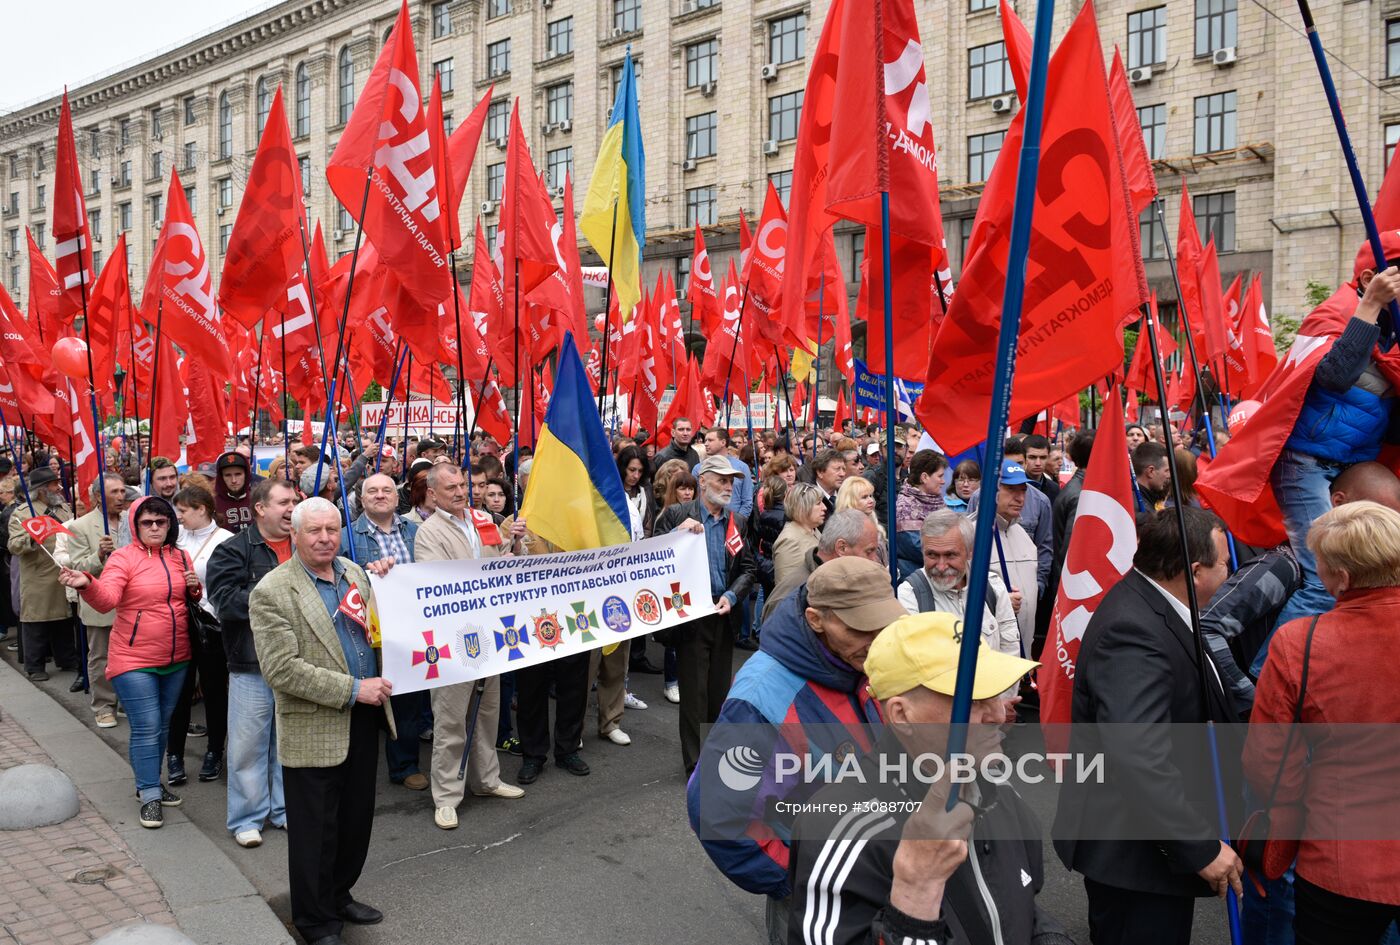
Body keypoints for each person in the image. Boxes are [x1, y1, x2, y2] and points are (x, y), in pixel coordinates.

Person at [785, 612, 1071, 945]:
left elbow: (1016, 906)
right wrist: (916, 892)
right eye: (973, 700)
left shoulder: (999, 791)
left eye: (995, 692)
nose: (998, 714)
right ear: (902, 715)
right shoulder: (840, 830)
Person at [688, 558, 908, 944]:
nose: (878, 637)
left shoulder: (857, 658)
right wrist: (793, 878)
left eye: (884, 622)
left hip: (881, 874)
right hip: (818, 892)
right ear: (815, 619)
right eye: (861, 626)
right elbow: (715, 812)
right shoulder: (761, 694)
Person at [1053, 507, 1243, 945]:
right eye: (1224, 563)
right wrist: (1199, 845)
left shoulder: (1158, 604)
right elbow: (1138, 756)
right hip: (1135, 857)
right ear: (1195, 572)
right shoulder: (1132, 630)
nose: (1229, 572)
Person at [1245, 502, 1400, 944]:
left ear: (1343, 579)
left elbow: (1268, 762)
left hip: (1341, 855)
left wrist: (1294, 811)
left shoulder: (1302, 642)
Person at [249, 497, 396, 945]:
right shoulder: (273, 590)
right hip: (315, 724)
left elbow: (381, 626)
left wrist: (392, 581)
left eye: (332, 529)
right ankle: (314, 921)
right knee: (315, 832)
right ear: (293, 534)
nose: (325, 538)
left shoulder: (355, 574)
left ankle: (338, 894)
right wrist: (353, 689)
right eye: (314, 531)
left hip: (366, 719)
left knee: (356, 821)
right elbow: (282, 670)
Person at [59, 497, 199, 829]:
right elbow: (107, 600)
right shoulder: (123, 558)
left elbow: (185, 600)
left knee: (161, 726)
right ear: (134, 526)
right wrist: (87, 583)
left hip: (176, 658)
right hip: (133, 659)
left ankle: (148, 782)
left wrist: (194, 590)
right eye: (147, 522)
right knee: (148, 726)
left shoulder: (180, 555)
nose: (154, 528)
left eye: (161, 522)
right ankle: (150, 793)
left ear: (170, 525)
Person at [414, 463, 526, 831]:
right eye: (451, 487)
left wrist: (515, 544)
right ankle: (446, 796)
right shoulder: (428, 532)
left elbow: (504, 563)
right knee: (451, 719)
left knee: (488, 713)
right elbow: (439, 583)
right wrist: (489, 574)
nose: (460, 491)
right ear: (433, 493)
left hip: (490, 632)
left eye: (463, 484)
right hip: (453, 639)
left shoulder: (482, 518)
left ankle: (487, 780)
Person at [207, 478, 297, 848]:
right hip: (252, 663)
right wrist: (279, 600)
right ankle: (247, 817)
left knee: (287, 743)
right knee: (248, 745)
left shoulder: (303, 545)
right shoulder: (232, 550)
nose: (293, 508)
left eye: (295, 500)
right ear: (260, 508)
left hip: (297, 663)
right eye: (284, 502)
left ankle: (283, 809)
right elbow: (225, 602)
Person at [654, 454, 757, 774]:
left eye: (731, 482)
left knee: (717, 691)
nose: (728, 488)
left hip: (723, 613)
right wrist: (674, 536)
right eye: (722, 480)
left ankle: (712, 753)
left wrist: (731, 595)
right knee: (694, 692)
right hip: (691, 613)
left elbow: (749, 569)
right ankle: (695, 764)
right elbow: (651, 559)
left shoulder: (735, 522)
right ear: (703, 481)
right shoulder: (675, 514)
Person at [167, 486, 234, 786]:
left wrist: (203, 601)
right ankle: (174, 755)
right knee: (179, 693)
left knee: (214, 691)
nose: (178, 516)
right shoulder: (174, 540)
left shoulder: (226, 540)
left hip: (211, 627)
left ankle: (214, 751)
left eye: (183, 510)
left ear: (203, 508)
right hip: (178, 624)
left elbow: (229, 585)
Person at [897, 510, 1021, 670]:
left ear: (970, 552)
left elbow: (1010, 653)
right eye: (932, 555)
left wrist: (999, 695)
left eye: (950, 555)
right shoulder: (910, 595)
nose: (941, 566)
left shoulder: (992, 587)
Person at [55, 473, 128, 723]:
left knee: (129, 656)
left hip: (130, 602)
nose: (121, 496)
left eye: (122, 491)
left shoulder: (133, 519)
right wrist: (97, 555)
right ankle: (104, 706)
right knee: (101, 657)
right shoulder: (80, 526)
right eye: (114, 492)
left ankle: (126, 701)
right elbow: (76, 566)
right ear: (98, 497)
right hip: (100, 605)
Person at [9, 467, 78, 681]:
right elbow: (14, 544)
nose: (57, 487)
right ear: (41, 489)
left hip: (62, 569)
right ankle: (35, 665)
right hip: (38, 573)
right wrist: (31, 538)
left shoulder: (63, 508)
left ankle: (66, 658)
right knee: (36, 623)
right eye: (52, 484)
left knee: (64, 620)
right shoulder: (22, 513)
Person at [973, 460, 1042, 657]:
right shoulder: (972, 536)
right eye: (1011, 490)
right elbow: (958, 596)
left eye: (1023, 490)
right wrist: (998, 602)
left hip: (1023, 655)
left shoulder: (1023, 536)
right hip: (991, 658)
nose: (1020, 498)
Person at [763, 509, 880, 621]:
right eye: (869, 551)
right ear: (842, 548)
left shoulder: (849, 580)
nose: (875, 560)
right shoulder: (790, 600)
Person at [893, 449, 948, 579]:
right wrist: (951, 551)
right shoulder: (905, 506)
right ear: (924, 477)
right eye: (940, 476)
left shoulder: (937, 501)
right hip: (916, 578)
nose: (943, 481)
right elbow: (917, 547)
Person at [771, 482, 825, 596]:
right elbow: (785, 591)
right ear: (803, 507)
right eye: (818, 503)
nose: (824, 508)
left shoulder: (813, 530)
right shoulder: (789, 540)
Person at [692, 428, 754, 517]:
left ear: (723, 442)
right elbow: (694, 499)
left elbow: (747, 501)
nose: (706, 444)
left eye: (710, 440)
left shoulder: (742, 467)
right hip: (704, 524)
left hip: (733, 525)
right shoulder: (698, 468)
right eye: (705, 440)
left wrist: (738, 523)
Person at [835, 474, 888, 564]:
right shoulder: (846, 531)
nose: (871, 500)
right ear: (850, 500)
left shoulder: (872, 520)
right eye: (864, 497)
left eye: (871, 496)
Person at [617, 445, 656, 538]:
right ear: (622, 468)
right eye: (632, 470)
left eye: (640, 471)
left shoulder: (646, 490)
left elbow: (648, 527)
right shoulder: (611, 490)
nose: (636, 476)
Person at [214, 451, 254, 532]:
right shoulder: (212, 503)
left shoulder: (258, 498)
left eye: (238, 474)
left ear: (246, 474)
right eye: (227, 475)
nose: (234, 480)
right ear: (221, 477)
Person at [1132, 440, 1173, 512]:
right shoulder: (1143, 512)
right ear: (1151, 471)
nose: (1169, 475)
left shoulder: (1132, 498)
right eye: (1167, 470)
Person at [1023, 433, 1061, 505]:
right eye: (1032, 457)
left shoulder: (1054, 489)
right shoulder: (1014, 487)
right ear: (1023, 457)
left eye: (1043, 457)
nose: (1038, 463)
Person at [810, 449, 847, 520]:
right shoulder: (808, 499)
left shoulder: (848, 494)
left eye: (844, 469)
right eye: (837, 469)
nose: (842, 474)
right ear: (820, 472)